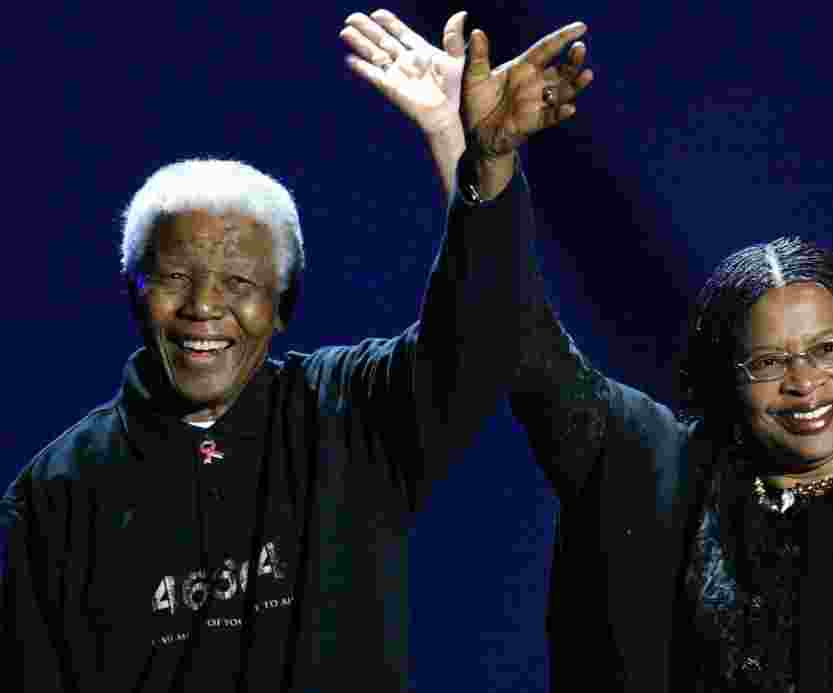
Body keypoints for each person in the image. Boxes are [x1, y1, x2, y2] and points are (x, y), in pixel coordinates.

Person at [344, 10, 833, 692]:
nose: (805, 382)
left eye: (827, 349)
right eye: (768, 362)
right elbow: (519, 337)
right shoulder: (651, 464)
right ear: (725, 375)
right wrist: (479, 156)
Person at [0, 14, 591, 692]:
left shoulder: (350, 413)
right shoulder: (53, 499)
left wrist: (472, 152)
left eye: (241, 284)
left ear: (282, 304)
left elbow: (482, 332)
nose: (203, 307)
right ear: (134, 294)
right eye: (173, 278)